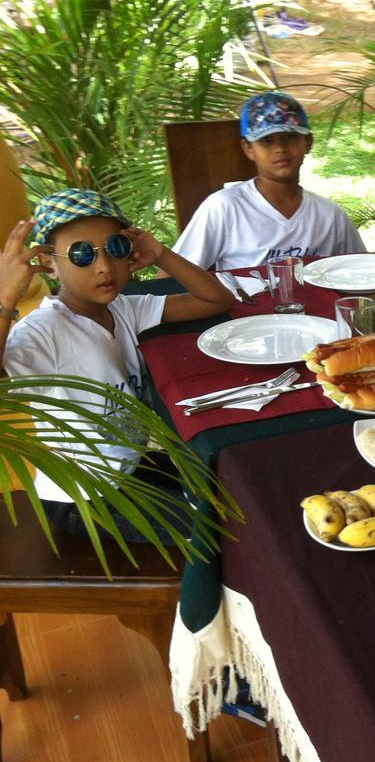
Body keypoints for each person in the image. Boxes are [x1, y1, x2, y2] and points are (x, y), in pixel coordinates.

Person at [0, 188, 235, 541]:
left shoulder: (125, 309)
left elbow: (215, 299)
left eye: (116, 248)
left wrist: (161, 255)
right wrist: (5, 298)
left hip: (131, 469)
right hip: (85, 498)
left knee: (229, 483)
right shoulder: (43, 332)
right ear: (49, 262)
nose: (104, 266)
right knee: (215, 531)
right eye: (81, 254)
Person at [173, 91, 365, 272]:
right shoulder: (225, 208)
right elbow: (175, 274)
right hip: (244, 307)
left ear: (308, 142)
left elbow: (362, 271)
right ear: (248, 148)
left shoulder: (331, 216)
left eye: (290, 137)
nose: (280, 148)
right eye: (266, 140)